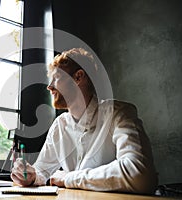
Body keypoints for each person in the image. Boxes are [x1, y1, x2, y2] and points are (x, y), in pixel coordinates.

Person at [10, 47, 158, 194]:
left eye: (57, 78)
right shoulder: (59, 125)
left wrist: (69, 178)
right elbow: (42, 171)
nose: (49, 87)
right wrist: (30, 176)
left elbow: (140, 175)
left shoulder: (118, 114)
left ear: (78, 77)